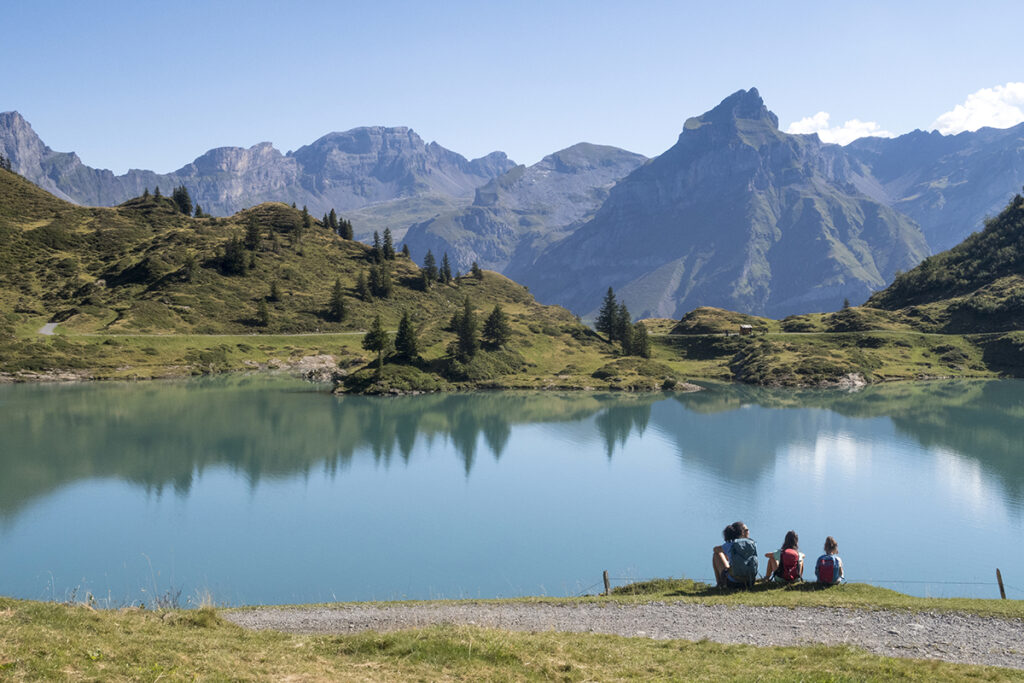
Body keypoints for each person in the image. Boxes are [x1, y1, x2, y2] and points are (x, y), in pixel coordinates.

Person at [712, 521, 758, 588]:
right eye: (747, 530)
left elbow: (715, 549)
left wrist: (727, 554)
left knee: (716, 554)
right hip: (750, 582)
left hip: (733, 583)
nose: (748, 531)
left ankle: (719, 584)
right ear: (742, 532)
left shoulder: (730, 545)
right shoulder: (752, 544)